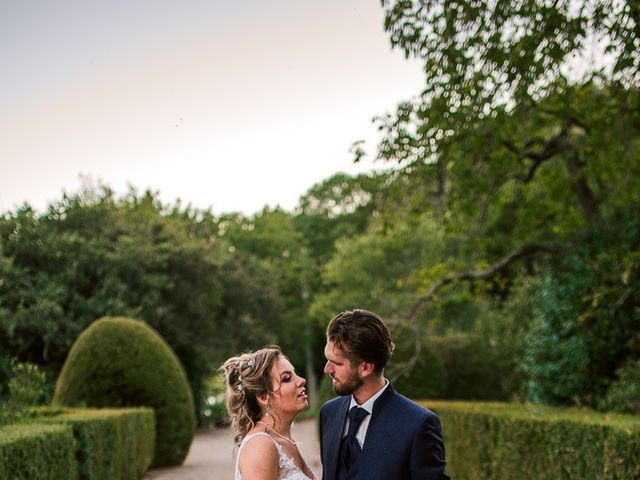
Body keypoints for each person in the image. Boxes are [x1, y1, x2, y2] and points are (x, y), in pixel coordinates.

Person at [319, 309, 450, 480]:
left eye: (336, 363)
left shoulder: (418, 425)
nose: (327, 369)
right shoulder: (329, 413)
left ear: (366, 368)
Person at [221, 346, 317, 480]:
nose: (301, 380)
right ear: (263, 397)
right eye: (287, 378)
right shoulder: (260, 445)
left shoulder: (284, 440)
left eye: (295, 374)